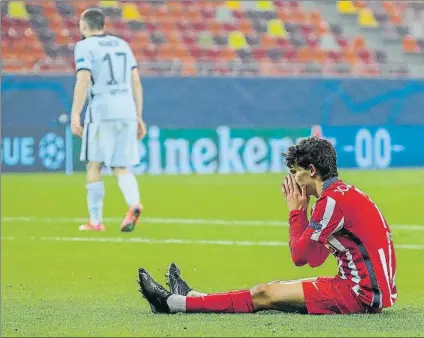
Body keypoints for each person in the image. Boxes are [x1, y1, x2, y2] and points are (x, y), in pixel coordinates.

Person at [137, 137, 397, 315]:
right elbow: (315, 258)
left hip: (359, 295)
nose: (294, 179)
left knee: (264, 293)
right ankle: (193, 297)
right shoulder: (343, 194)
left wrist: (296, 212)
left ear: (312, 170)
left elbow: (299, 257)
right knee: (273, 291)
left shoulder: (331, 203)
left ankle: (173, 304)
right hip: (365, 290)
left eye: (296, 172)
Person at [70, 8, 146, 232]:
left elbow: (83, 80)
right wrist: (139, 116)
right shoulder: (122, 44)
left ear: (84, 26)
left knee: (94, 163)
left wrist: (76, 113)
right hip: (127, 109)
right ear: (103, 24)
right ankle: (134, 204)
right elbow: (136, 81)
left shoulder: (84, 46)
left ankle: (96, 221)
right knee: (121, 165)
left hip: (103, 109)